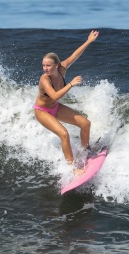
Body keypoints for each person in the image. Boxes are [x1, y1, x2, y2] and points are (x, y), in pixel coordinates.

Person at [34, 30, 100, 171]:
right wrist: (70, 84)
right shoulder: (44, 79)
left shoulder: (62, 69)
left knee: (85, 124)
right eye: (44, 65)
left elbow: (75, 55)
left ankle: (86, 150)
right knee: (64, 134)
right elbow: (55, 96)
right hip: (42, 111)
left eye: (48, 65)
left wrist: (88, 41)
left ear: (57, 65)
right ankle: (72, 168)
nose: (45, 68)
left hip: (55, 107)